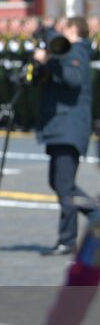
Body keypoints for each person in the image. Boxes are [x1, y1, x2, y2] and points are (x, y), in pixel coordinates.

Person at [34, 17, 98, 256]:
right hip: (60, 126)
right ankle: (94, 215)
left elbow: (72, 80)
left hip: (69, 127)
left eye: (62, 31)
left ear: (73, 30)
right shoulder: (67, 53)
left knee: (64, 185)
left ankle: (67, 240)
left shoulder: (77, 51)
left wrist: (51, 51)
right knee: (59, 182)